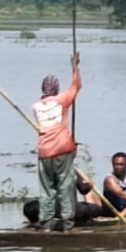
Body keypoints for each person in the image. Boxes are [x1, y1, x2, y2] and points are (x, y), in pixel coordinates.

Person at [33, 51, 81, 232]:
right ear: (56, 89)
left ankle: (46, 224)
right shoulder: (62, 100)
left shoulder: (36, 107)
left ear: (43, 90)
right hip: (62, 150)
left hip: (44, 152)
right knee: (65, 186)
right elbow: (76, 86)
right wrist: (75, 66)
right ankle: (67, 224)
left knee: (47, 189)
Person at [23, 177, 103, 226]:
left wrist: (89, 185)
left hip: (72, 210)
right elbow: (84, 190)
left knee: (94, 208)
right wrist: (90, 185)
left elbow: (84, 190)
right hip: (73, 210)